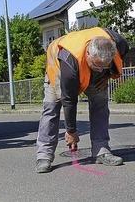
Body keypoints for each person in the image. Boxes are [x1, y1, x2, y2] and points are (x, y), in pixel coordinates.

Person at [35, 27, 128, 173]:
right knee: (51, 109)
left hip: (92, 75)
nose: (100, 69)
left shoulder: (119, 43)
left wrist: (107, 74)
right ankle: (44, 155)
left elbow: (118, 59)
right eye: (97, 65)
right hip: (58, 68)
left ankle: (101, 150)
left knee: (100, 106)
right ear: (88, 53)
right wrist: (71, 131)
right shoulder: (69, 61)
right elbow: (69, 100)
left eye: (105, 66)